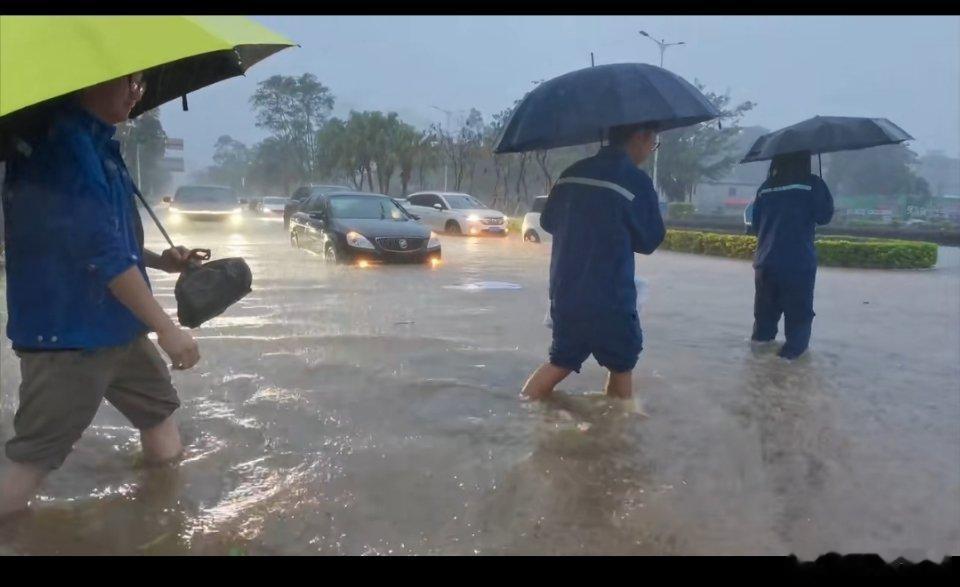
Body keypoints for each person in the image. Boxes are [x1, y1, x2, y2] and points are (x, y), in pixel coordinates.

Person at [0, 72, 201, 518]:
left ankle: (164, 523)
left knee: (159, 414)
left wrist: (162, 261)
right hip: (69, 336)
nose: (135, 92)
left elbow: (108, 238)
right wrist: (167, 329)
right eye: (126, 82)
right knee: (32, 462)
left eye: (142, 84)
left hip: (119, 326)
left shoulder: (100, 142)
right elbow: (98, 252)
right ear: (87, 79)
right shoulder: (60, 144)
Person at [521, 123, 665, 401]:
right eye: (653, 144)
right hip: (611, 297)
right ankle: (615, 435)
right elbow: (650, 241)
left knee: (560, 360)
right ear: (640, 136)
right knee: (621, 365)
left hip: (566, 292)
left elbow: (548, 222)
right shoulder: (635, 181)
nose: (650, 150)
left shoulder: (571, 174)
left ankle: (523, 410)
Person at [747, 151, 834, 360]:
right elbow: (824, 216)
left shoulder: (766, 188)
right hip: (798, 263)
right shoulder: (813, 184)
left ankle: (757, 369)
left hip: (765, 263)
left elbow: (755, 224)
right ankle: (788, 369)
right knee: (798, 323)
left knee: (763, 324)